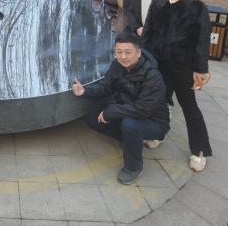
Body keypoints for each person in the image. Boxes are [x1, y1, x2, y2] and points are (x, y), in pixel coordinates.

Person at [72, 32, 170, 184]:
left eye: (128, 52)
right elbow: (106, 86)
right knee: (93, 118)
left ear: (138, 53)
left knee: (130, 125)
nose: (123, 56)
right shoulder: (117, 65)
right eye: (119, 52)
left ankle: (133, 168)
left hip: (154, 121)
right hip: (128, 110)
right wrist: (85, 91)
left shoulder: (152, 76)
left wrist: (111, 112)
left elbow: (143, 109)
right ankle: (131, 141)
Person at [143, 0, 212, 172]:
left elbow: (202, 41)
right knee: (159, 102)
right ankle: (158, 134)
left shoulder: (197, 8)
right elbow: (148, 31)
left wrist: (200, 69)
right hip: (158, 63)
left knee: (189, 107)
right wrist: (144, 57)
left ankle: (199, 150)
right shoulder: (159, 3)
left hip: (183, 66)